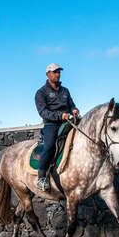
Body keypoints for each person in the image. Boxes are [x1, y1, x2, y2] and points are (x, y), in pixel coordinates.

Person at [34, 63, 79, 191]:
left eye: (59, 72)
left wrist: (74, 110)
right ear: (48, 74)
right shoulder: (41, 93)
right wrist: (60, 115)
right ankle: (41, 177)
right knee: (48, 147)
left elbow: (71, 105)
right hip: (51, 124)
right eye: (54, 72)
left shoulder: (65, 91)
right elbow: (43, 112)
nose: (57, 74)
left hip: (67, 121)